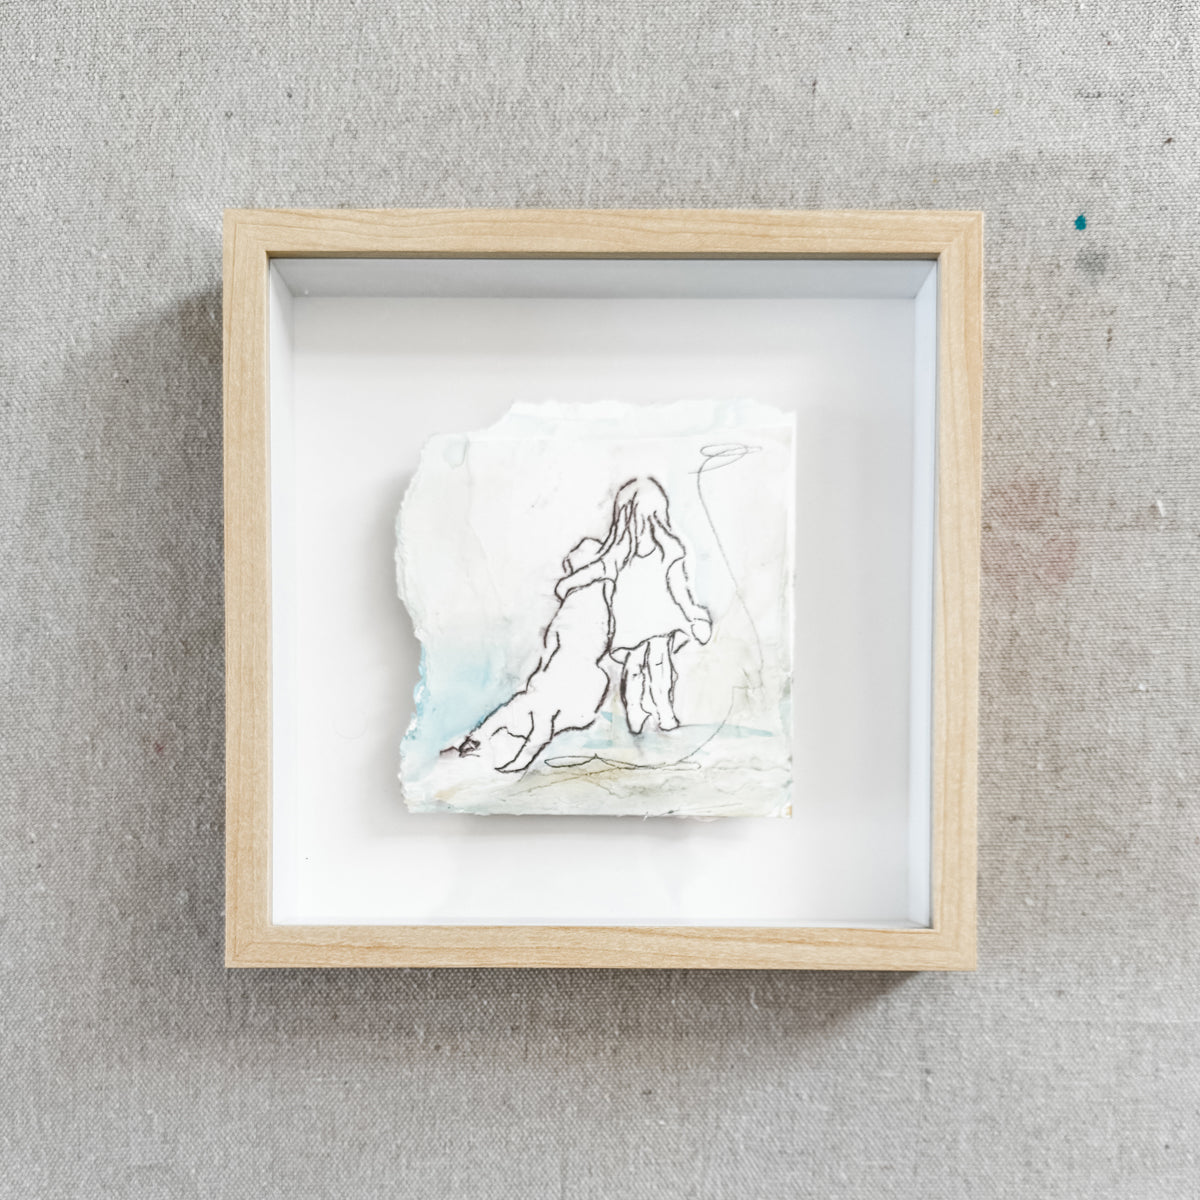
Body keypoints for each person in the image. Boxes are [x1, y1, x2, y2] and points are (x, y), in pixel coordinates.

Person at [556, 477, 710, 734]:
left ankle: (664, 711)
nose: (643, 525)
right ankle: (636, 712)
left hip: (662, 622)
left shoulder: (670, 550)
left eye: (650, 518)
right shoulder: (619, 554)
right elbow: (595, 570)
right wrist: (568, 583)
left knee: (660, 666)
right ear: (625, 519)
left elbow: (680, 590)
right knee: (635, 667)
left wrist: (692, 616)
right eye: (636, 518)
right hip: (631, 625)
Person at [454, 537, 612, 772]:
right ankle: (483, 739)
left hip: (570, 670)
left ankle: (498, 747)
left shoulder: (584, 599)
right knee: (528, 708)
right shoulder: (594, 598)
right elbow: (561, 640)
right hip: (571, 670)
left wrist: (546, 669)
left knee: (534, 711)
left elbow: (559, 641)